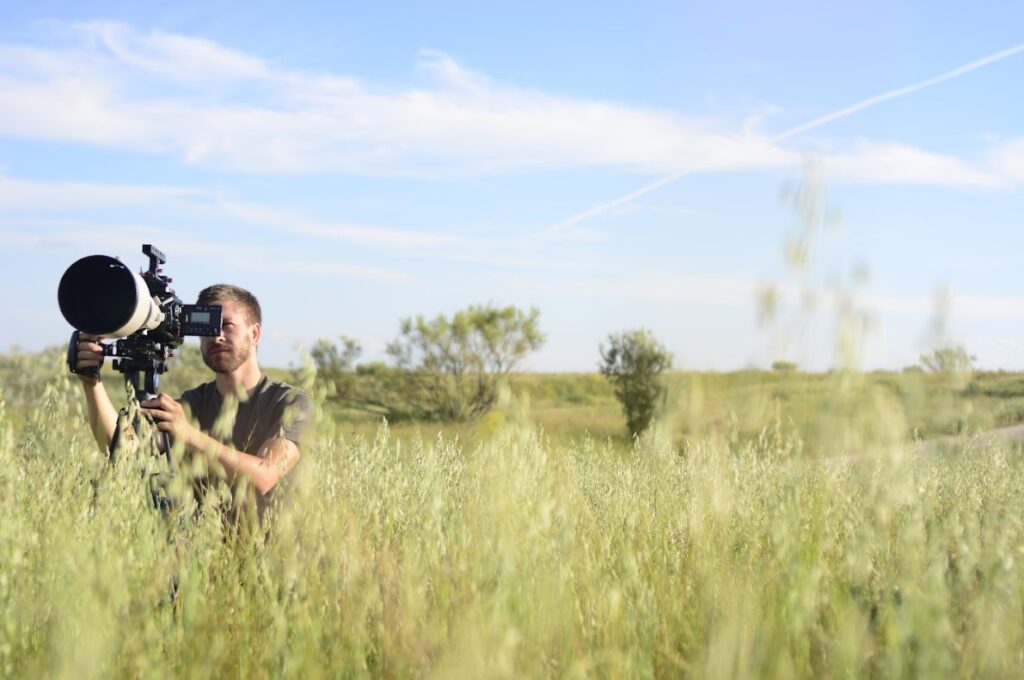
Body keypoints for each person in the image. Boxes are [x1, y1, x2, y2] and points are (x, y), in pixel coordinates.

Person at [74, 284, 312, 521]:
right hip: (203, 555)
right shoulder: (191, 405)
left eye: (227, 325)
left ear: (254, 334)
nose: (217, 337)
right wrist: (91, 382)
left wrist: (188, 434)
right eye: (207, 328)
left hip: (271, 555)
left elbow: (265, 476)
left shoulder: (289, 402)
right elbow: (119, 448)